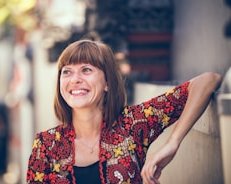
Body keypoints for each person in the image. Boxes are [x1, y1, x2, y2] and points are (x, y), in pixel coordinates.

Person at [26, 39, 222, 184]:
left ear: (107, 83)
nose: (74, 79)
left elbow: (208, 80)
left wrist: (173, 143)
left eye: (86, 70)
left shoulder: (133, 124)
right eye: (66, 71)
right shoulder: (46, 145)